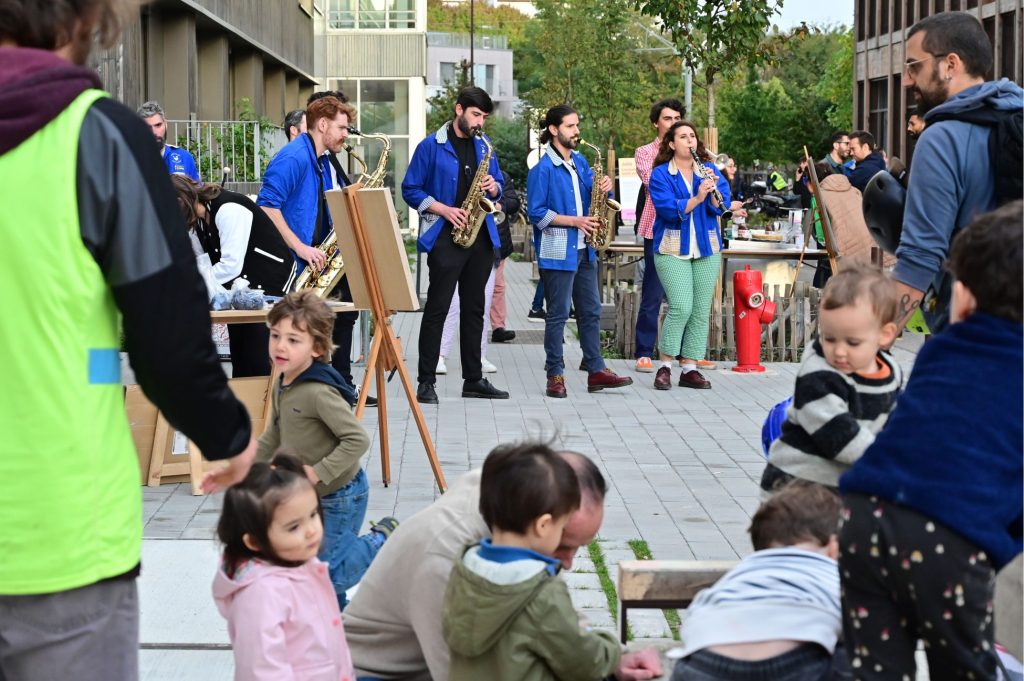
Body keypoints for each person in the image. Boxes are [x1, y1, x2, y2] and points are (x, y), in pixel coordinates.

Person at [0, 3, 256, 678]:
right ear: (89, 14)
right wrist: (226, 432)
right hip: (57, 531)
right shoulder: (98, 136)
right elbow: (167, 335)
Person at [839, 202, 1023, 680]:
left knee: (874, 671)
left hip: (862, 514)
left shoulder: (940, 349)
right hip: (949, 538)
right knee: (963, 668)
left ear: (962, 300)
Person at [343, 448, 663, 681]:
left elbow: (543, 606)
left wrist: (611, 658)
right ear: (542, 523)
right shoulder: (445, 557)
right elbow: (456, 672)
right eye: (564, 546)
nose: (567, 564)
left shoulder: (508, 507)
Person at [256, 291, 397, 609]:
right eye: (275, 335)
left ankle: (382, 540)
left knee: (327, 573)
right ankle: (336, 633)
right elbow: (277, 431)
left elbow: (357, 439)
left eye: (293, 340)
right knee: (316, 572)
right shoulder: (284, 382)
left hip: (340, 493)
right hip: (308, 497)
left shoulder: (319, 393)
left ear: (317, 348)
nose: (280, 346)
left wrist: (317, 472)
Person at [890, 11, 1024, 334]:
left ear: (951, 64)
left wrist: (862, 354)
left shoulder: (940, 139)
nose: (907, 80)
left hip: (973, 340)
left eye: (913, 66)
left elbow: (918, 260)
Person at [443, 443, 622, 681]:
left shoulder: (464, 568)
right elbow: (584, 663)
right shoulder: (541, 592)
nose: (568, 562)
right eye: (561, 529)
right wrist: (612, 648)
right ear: (544, 525)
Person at [670, 482, 847, 681]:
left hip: (706, 664)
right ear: (834, 547)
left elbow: (698, 613)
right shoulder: (831, 572)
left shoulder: (742, 574)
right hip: (795, 666)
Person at [404, 86, 509, 404]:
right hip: (445, 239)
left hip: (479, 237)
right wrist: (443, 208)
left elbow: (501, 186)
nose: (480, 123)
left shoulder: (484, 145)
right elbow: (410, 189)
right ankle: (426, 381)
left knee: (476, 310)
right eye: (476, 115)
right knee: (437, 308)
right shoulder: (430, 146)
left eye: (484, 117)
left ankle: (473, 379)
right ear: (458, 109)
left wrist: (495, 187)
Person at [759, 266, 902, 496]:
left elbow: (894, 417)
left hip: (843, 488)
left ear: (885, 335)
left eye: (853, 342)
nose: (839, 351)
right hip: (795, 492)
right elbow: (840, 435)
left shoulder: (890, 369)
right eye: (830, 338)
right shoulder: (818, 376)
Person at [213, 453, 355, 681]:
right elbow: (262, 670)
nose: (311, 530)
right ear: (254, 542)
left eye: (312, 515)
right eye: (293, 527)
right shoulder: (261, 594)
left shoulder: (303, 564)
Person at [527, 104, 634, 398]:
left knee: (590, 311)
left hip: (586, 249)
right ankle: (555, 375)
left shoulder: (582, 163)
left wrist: (605, 188)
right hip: (558, 249)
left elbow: (597, 199)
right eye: (571, 126)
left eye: (577, 126)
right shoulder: (542, 169)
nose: (577, 132)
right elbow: (536, 213)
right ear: (553, 130)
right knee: (558, 315)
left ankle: (596, 370)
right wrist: (574, 221)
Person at [171, 175, 295, 377]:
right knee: (241, 354)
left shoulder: (228, 209)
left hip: (270, 280)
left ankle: (265, 405)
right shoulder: (198, 222)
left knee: (257, 354)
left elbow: (230, 266)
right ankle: (248, 404)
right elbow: (197, 264)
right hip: (240, 288)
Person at [647, 121, 730, 391]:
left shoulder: (709, 170)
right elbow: (668, 210)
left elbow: (722, 205)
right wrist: (696, 197)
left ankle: (690, 368)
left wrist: (715, 194)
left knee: (699, 309)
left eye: (692, 136)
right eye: (683, 136)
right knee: (681, 305)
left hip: (707, 248)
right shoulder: (660, 175)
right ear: (672, 144)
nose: (689, 141)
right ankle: (665, 365)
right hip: (672, 248)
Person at [633, 98, 684, 373]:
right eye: (667, 119)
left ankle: (686, 354)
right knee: (653, 292)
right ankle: (643, 352)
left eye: (678, 118)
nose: (673, 123)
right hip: (656, 229)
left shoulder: (691, 151)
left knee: (685, 295)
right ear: (656, 122)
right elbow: (654, 181)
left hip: (687, 229)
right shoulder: (644, 151)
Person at [489, 171, 521, 344]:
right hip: (473, 237)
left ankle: (498, 327)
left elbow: (514, 203)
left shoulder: (501, 176)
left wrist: (499, 204)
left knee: (498, 286)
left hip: (498, 239)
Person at [137, 100, 201, 181]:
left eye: (158, 125)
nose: (154, 132)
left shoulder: (184, 157)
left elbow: (197, 191)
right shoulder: (128, 160)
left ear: (166, 124)